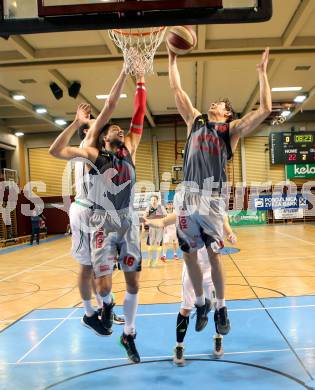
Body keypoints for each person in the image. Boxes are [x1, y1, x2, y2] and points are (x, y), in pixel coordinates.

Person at [167, 45, 271, 335]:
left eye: (220, 104)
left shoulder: (231, 131)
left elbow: (264, 109)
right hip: (186, 194)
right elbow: (177, 90)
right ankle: (201, 303)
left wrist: (262, 74)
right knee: (187, 254)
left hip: (211, 197)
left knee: (213, 256)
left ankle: (221, 309)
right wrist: (172, 57)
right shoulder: (195, 121)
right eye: (213, 102)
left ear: (227, 114)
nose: (214, 103)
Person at [50, 62, 147, 363]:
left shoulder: (129, 147)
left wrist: (141, 83)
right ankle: (101, 306)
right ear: (103, 137)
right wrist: (123, 71)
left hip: (127, 221)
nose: (120, 129)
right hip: (98, 219)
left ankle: (128, 334)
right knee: (100, 280)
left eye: (121, 128)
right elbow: (57, 150)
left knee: (133, 283)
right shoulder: (93, 150)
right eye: (113, 129)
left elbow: (138, 114)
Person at [145, 213, 237, 365]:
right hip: (191, 270)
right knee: (186, 308)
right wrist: (148, 221)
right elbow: (162, 221)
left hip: (211, 270)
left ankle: (218, 338)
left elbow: (225, 222)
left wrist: (231, 234)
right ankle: (179, 346)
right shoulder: (186, 210)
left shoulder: (213, 208)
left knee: (217, 307)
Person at [143, 195, 167, 267]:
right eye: (152, 200)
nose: (153, 201)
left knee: (158, 244)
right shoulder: (149, 208)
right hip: (152, 228)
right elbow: (144, 217)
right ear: (150, 201)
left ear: (157, 200)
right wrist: (144, 225)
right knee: (150, 244)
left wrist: (164, 226)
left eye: (154, 200)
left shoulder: (161, 207)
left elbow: (166, 216)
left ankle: (157, 260)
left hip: (159, 228)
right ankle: (150, 259)